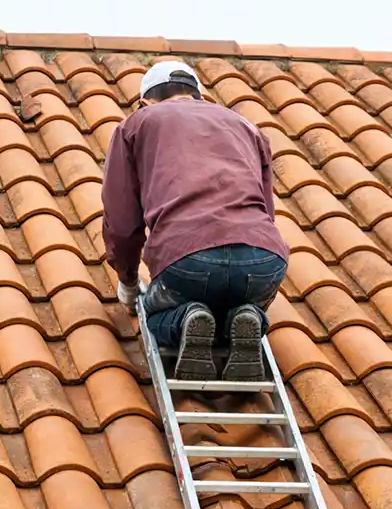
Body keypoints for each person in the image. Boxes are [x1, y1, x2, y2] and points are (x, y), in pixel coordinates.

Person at [100, 60, 289, 382]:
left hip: (188, 261)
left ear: (143, 102)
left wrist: (128, 282)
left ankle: (186, 319)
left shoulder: (138, 123)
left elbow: (122, 220)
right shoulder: (244, 125)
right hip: (263, 261)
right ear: (199, 96)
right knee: (233, 306)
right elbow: (266, 208)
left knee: (152, 311)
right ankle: (248, 317)